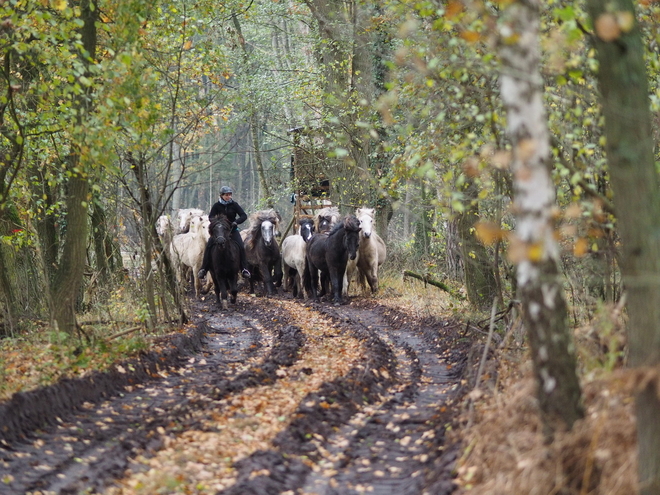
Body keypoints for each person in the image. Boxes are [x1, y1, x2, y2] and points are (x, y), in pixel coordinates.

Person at [197, 186, 251, 279]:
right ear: (221, 195)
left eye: (230, 195)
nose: (228, 196)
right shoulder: (216, 206)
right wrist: (217, 222)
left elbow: (244, 215)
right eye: (226, 195)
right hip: (219, 232)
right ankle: (204, 269)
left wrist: (236, 222)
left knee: (241, 246)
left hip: (232, 231)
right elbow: (211, 217)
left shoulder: (234, 205)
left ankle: (244, 269)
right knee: (209, 246)